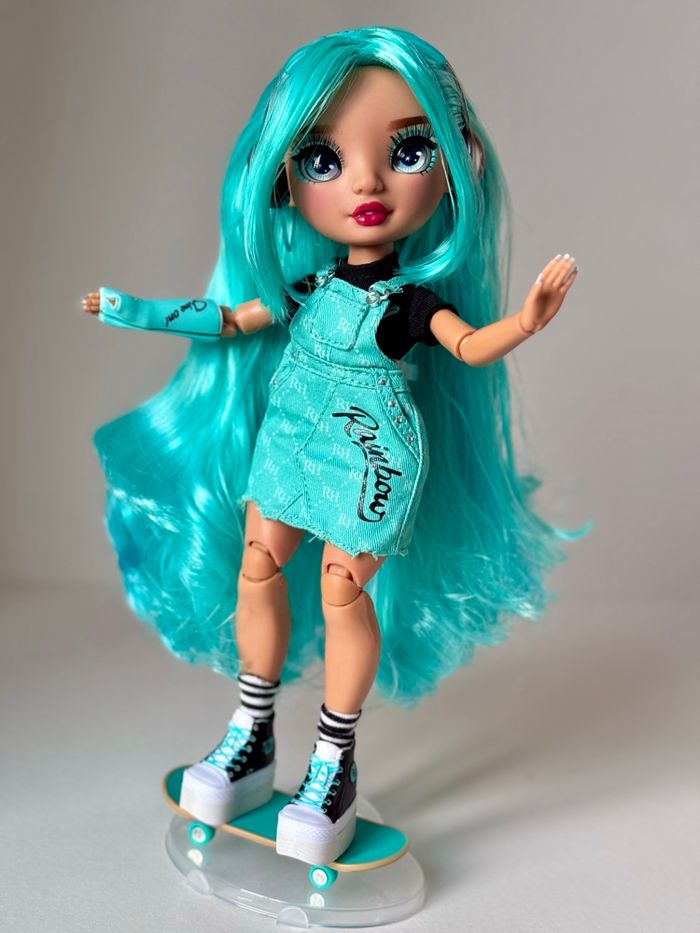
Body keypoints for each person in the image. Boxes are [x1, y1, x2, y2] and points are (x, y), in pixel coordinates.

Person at [82, 27, 580, 866]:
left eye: (409, 151)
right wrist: (135, 310)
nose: (366, 183)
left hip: (370, 454)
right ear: (284, 178)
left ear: (459, 164)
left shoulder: (411, 304)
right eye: (323, 159)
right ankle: (251, 731)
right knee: (258, 567)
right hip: (292, 439)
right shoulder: (308, 287)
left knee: (343, 588)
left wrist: (526, 321)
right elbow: (229, 320)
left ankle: (333, 761)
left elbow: (467, 346)